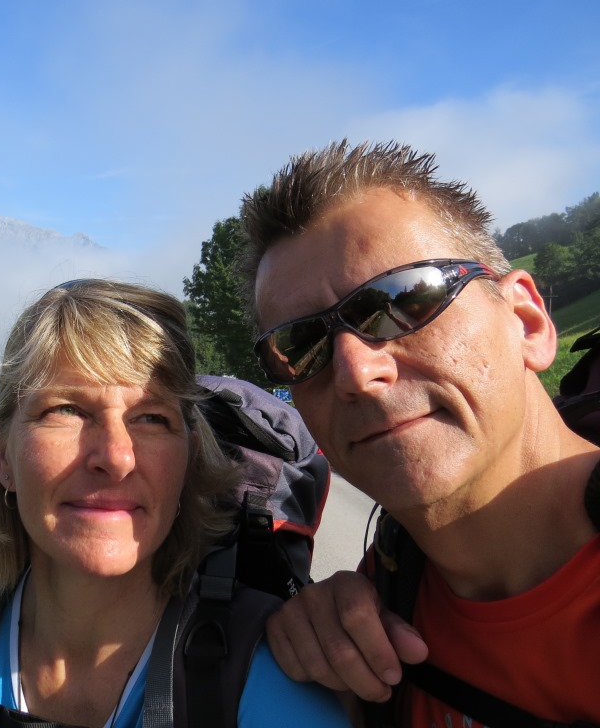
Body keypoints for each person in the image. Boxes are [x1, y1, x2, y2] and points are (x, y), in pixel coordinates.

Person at [0, 278, 348, 727]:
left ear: (188, 461)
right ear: (3, 455)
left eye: (151, 418)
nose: (115, 456)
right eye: (66, 409)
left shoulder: (265, 684)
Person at [238, 140, 600, 726]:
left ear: (527, 322)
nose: (356, 373)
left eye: (402, 301)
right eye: (300, 347)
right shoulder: (366, 631)